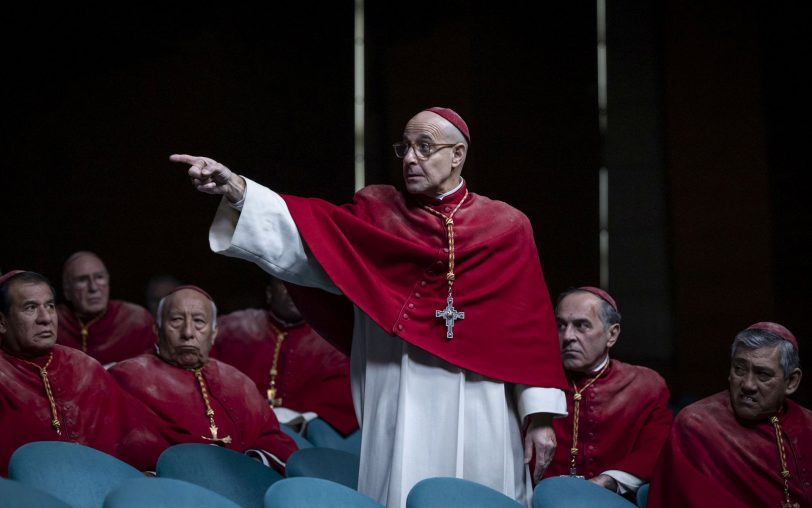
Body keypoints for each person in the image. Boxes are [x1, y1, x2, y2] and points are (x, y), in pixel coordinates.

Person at [170, 106, 568, 508]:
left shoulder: (508, 227)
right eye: (406, 147)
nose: (411, 158)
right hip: (400, 390)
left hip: (485, 403)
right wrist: (238, 189)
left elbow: (529, 330)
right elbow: (309, 239)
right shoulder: (378, 214)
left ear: (458, 155)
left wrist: (539, 418)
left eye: (425, 147)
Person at [109, 285, 297, 473]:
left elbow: (272, 439)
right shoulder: (128, 377)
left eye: (199, 321)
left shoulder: (238, 381)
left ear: (214, 333)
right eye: (176, 320)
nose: (188, 332)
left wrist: (252, 463)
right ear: (157, 330)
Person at [0, 270, 167, 476]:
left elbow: (136, 438)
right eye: (30, 308)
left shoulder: (84, 367)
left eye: (50, 306)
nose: (45, 318)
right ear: (2, 322)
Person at [647, 322, 811, 508]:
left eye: (763, 374)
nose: (748, 385)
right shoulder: (697, 425)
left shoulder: (808, 424)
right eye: (739, 369)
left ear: (791, 382)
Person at [538, 287, 672, 503]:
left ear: (612, 334)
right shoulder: (535, 382)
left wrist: (605, 482)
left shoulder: (646, 385)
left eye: (582, 326)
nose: (568, 336)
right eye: (561, 325)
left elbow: (655, 450)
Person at [211, 276, 358, 435]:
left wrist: (302, 420)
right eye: (286, 284)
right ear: (269, 294)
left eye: (302, 286)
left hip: (304, 435)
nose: (295, 292)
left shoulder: (334, 340)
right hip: (235, 426)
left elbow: (341, 398)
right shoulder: (232, 328)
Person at [57, 251, 155, 367]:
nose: (93, 288)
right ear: (67, 291)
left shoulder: (136, 319)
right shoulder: (54, 321)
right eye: (82, 280)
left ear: (108, 281)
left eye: (99, 277)